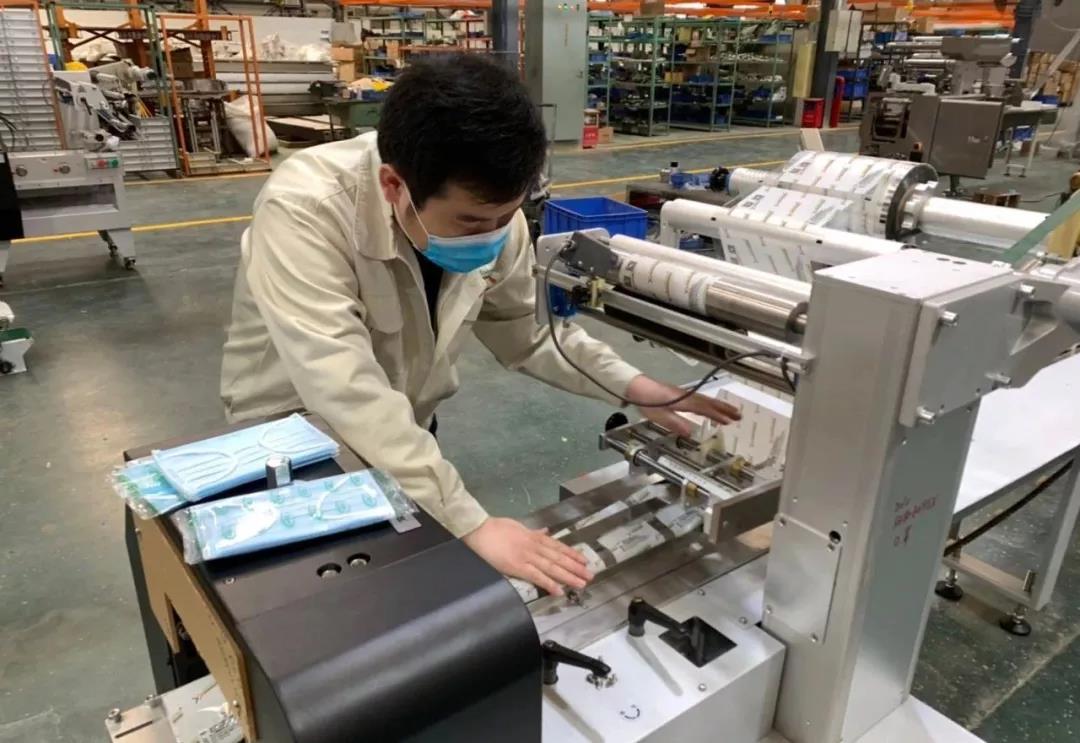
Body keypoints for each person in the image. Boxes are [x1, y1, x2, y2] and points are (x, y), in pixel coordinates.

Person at [220, 54, 740, 597]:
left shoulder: (495, 215)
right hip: (295, 442)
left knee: (411, 576)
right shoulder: (306, 209)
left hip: (404, 426)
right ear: (394, 185)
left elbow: (528, 333)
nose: (491, 236)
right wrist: (470, 522)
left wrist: (635, 387)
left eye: (505, 216)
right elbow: (343, 386)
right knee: (321, 600)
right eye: (471, 222)